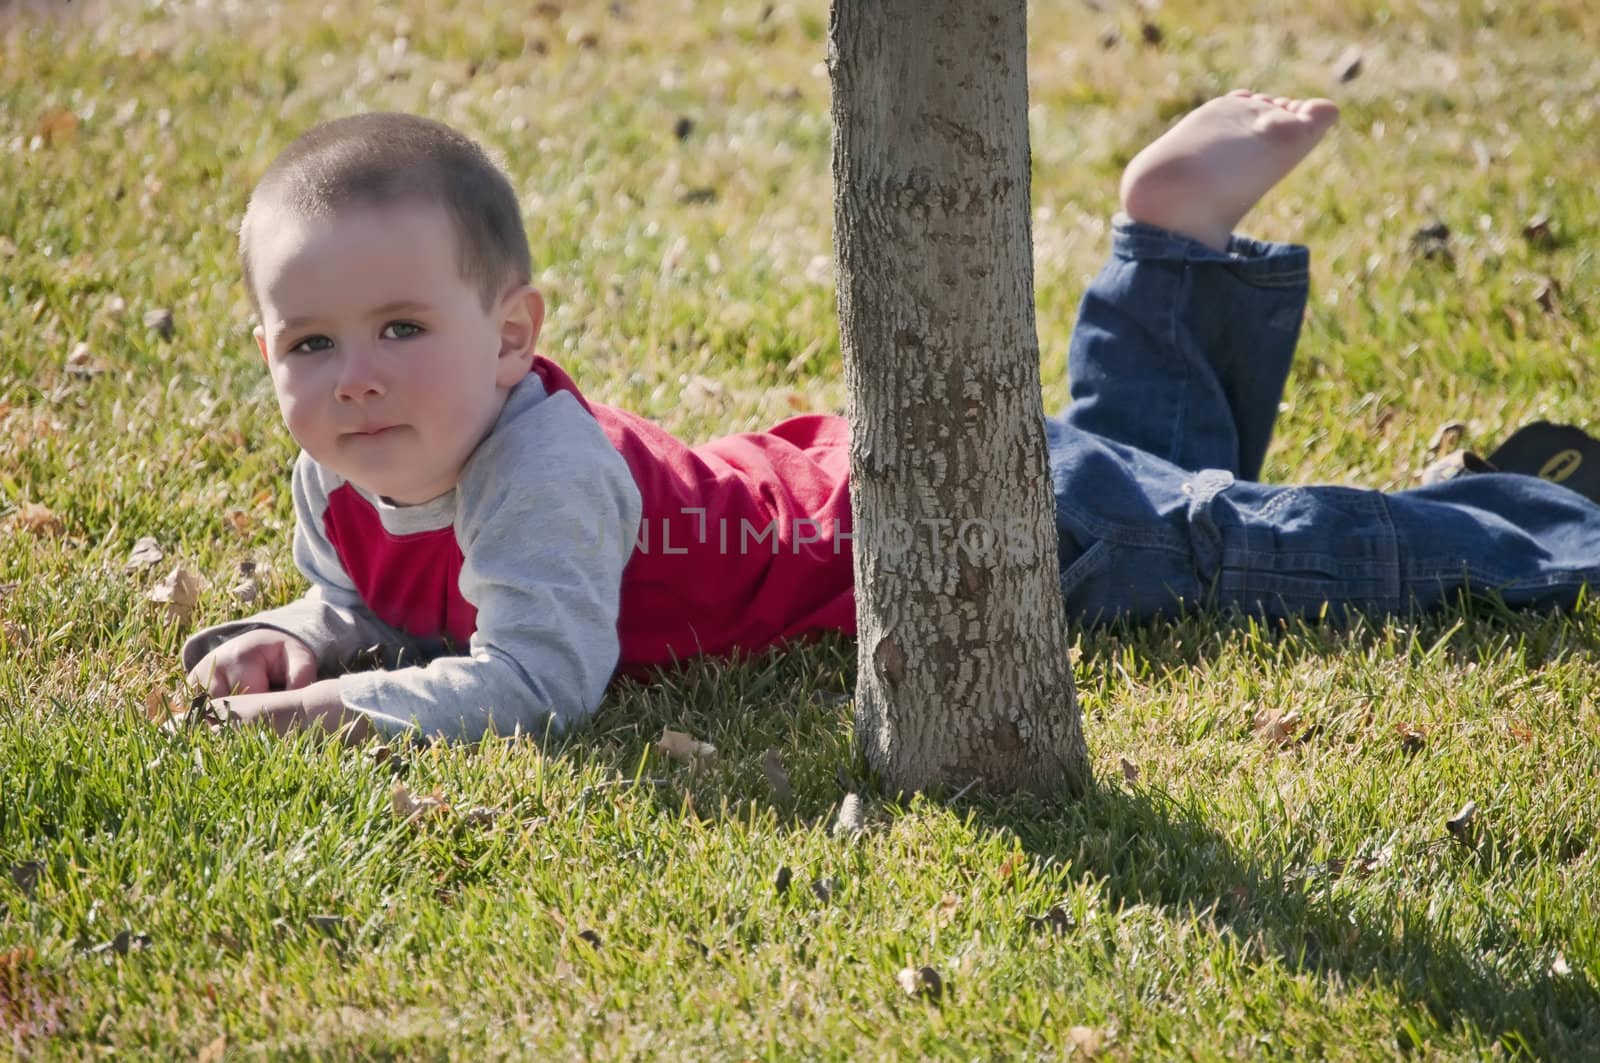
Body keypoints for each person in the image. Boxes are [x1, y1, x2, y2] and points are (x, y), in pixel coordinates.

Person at [181, 93, 1600, 742]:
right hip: (923, 467)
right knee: (1157, 478)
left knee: (1271, 554)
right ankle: (1175, 254)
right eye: (311, 343)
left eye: (400, 329)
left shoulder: (535, 474)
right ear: (270, 351)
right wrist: (302, 636)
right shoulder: (346, 464)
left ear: (514, 338)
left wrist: (340, 710)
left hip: (985, 534)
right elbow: (359, 589)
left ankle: (1555, 528)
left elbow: (536, 681)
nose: (354, 376)